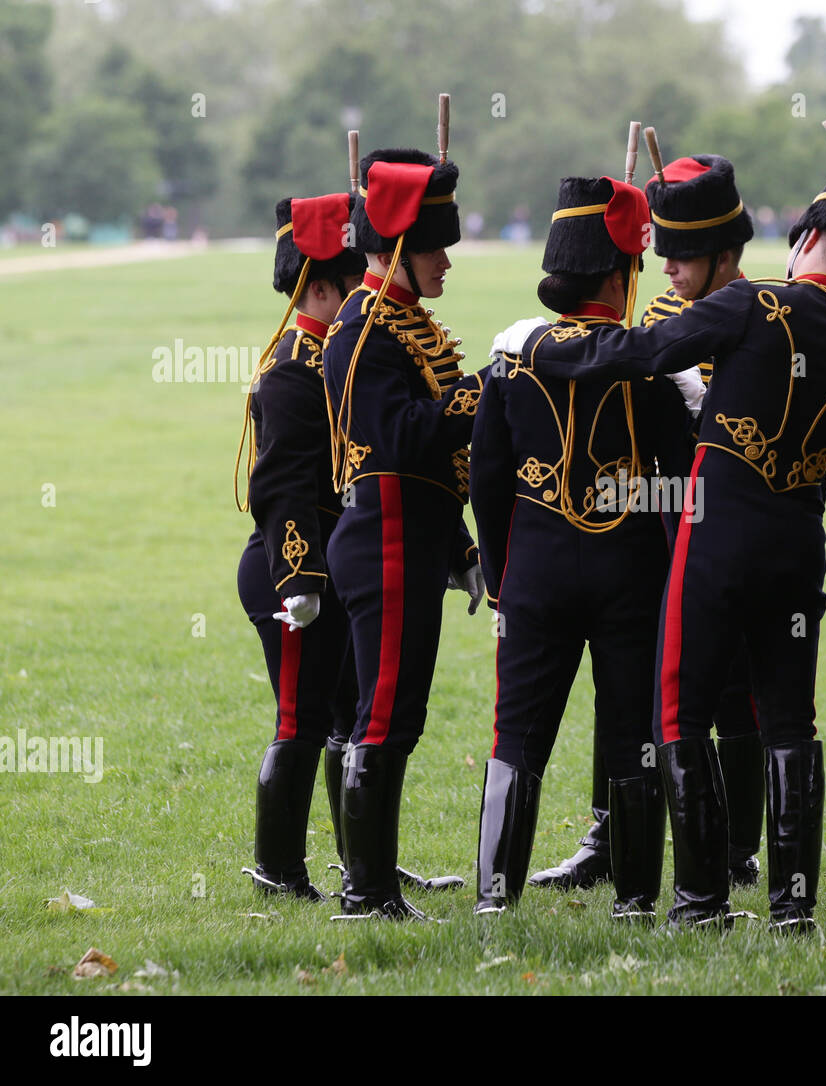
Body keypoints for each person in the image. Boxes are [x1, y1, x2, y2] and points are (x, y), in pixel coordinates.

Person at [513, 167, 826, 932]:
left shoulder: (750, 301)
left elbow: (639, 351)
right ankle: (791, 908)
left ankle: (699, 903)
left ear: (807, 240)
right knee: (790, 723)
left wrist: (538, 345)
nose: (666, 268)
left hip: (715, 540)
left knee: (679, 714)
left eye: (679, 255)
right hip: (797, 552)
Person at [529, 153, 766, 893]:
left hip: (735, 525)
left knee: (736, 694)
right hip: (658, 529)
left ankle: (734, 848)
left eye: (683, 255)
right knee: (642, 698)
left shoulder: (766, 314)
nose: (665, 270)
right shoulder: (663, 318)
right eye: (660, 255)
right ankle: (611, 835)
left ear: (724, 253)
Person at [471, 175, 697, 921]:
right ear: (617, 275)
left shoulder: (511, 360)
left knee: (517, 734)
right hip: (629, 573)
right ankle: (634, 898)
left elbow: (489, 485)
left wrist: (501, 582)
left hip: (533, 574)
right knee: (631, 733)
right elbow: (676, 485)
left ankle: (493, 897)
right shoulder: (655, 374)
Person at [321, 148, 486, 919]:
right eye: (433, 247)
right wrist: (488, 390)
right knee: (383, 717)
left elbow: (427, 471)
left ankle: (374, 883)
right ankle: (366, 893)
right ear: (396, 250)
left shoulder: (400, 320)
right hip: (382, 542)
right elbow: (400, 441)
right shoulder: (363, 328)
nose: (446, 261)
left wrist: (457, 548)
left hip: (407, 539)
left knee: (398, 716)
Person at [235, 192, 365, 900]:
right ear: (320, 285)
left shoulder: (339, 354)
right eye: (352, 280)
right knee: (302, 721)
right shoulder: (295, 366)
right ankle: (277, 871)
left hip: (331, 569)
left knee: (349, 717)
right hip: (294, 574)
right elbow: (282, 485)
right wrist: (300, 580)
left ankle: (362, 864)